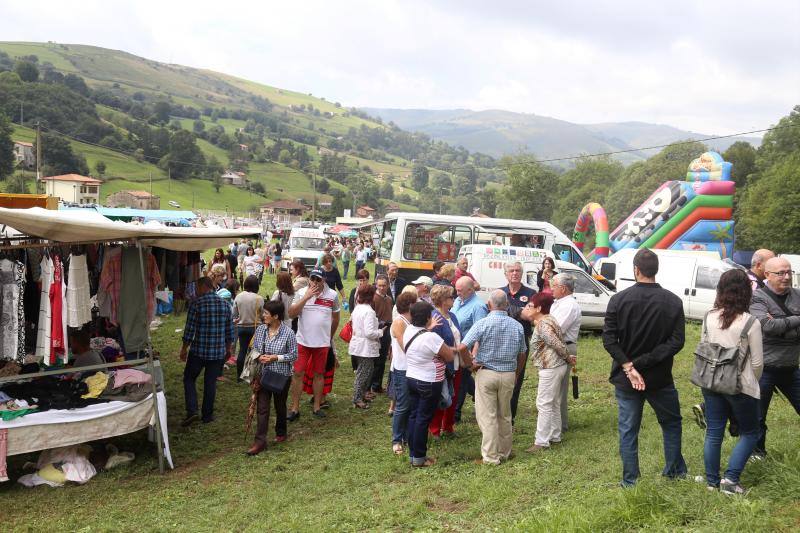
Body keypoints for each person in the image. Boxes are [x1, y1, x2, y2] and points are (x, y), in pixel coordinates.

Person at [602, 249, 686, 487]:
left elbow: (609, 339)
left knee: (629, 430)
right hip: (660, 377)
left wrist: (630, 366)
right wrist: (641, 363)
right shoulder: (673, 301)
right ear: (655, 270)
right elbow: (677, 342)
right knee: (670, 424)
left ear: (636, 270)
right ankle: (674, 472)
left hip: (627, 378)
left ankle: (630, 480)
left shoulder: (618, 300)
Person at [698, 269, 763, 494]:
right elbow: (757, 363)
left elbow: (705, 349)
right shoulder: (750, 322)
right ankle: (731, 480)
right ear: (746, 292)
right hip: (740, 386)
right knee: (750, 432)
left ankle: (711, 482)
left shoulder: (709, 317)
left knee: (714, 431)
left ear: (721, 290)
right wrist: (753, 383)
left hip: (711, 382)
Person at [457, 290, 526, 465]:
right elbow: (523, 353)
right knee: (505, 414)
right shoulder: (517, 325)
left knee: (488, 416)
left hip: (487, 373)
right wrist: (517, 372)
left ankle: (490, 456)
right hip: (508, 374)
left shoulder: (483, 324)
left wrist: (470, 364)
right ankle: (505, 451)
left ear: (489, 305)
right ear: (507, 305)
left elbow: (462, 347)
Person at [749, 256, 800, 460]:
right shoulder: (757, 298)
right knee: (758, 415)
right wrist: (796, 320)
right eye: (780, 273)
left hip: (791, 367)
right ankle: (757, 452)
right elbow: (766, 326)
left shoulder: (797, 295)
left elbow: (775, 327)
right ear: (767, 275)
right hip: (765, 369)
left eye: (789, 272)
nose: (786, 277)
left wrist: (781, 324)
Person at [404, 301, 456, 467]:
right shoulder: (431, 337)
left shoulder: (409, 331)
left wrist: (428, 327)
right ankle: (419, 457)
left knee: (413, 416)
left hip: (411, 377)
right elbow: (449, 356)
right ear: (428, 318)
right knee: (423, 419)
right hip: (429, 381)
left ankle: (413, 453)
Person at [523, 292, 575, 451]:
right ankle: (555, 435)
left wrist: (568, 357)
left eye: (530, 306)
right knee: (552, 402)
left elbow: (555, 343)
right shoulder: (549, 319)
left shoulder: (543, 324)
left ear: (539, 308)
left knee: (544, 403)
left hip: (550, 367)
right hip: (557, 366)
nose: (527, 308)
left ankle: (541, 441)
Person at [287, 268, 341, 420]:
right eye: (313, 279)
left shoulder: (332, 295)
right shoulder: (301, 292)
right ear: (309, 278)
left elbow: (336, 318)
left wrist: (328, 337)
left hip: (322, 343)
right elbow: (291, 314)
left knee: (319, 374)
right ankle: (295, 408)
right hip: (302, 341)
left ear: (324, 280)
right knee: (298, 373)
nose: (315, 282)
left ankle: (317, 406)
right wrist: (306, 297)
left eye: (318, 279)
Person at [180, 277, 235, 426]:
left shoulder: (196, 304)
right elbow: (230, 331)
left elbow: (189, 330)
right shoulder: (225, 305)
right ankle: (207, 416)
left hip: (198, 351)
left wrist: (184, 349)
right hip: (217, 353)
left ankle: (192, 411)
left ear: (204, 286)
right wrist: (228, 349)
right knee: (210, 383)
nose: (196, 291)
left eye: (197, 288)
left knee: (189, 378)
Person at [246, 300, 298, 456]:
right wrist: (259, 356)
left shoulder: (288, 333)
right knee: (262, 408)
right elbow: (253, 349)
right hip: (263, 374)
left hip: (281, 376)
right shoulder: (261, 330)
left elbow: (294, 355)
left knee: (280, 405)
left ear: (276, 316)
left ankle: (281, 432)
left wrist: (276, 357)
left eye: (266, 314)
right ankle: (260, 441)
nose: (263, 316)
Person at [500, 261, 537, 423]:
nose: (514, 273)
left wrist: (507, 309)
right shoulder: (500, 293)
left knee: (516, 380)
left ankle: (510, 418)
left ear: (521, 274)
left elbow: (531, 316)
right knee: (500, 378)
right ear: (506, 274)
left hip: (521, 343)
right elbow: (493, 311)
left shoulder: (530, 293)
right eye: (511, 271)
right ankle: (498, 415)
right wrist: (520, 311)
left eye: (517, 271)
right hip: (500, 342)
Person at [452, 275, 489, 422]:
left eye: (460, 290)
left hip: (466, 350)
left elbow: (480, 333)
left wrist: (473, 355)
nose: (457, 293)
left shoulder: (478, 307)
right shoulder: (457, 300)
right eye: (456, 290)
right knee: (461, 378)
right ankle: (477, 395)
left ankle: (456, 413)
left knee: (461, 380)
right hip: (454, 347)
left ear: (470, 290)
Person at [428, 284, 462, 438]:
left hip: (456, 363)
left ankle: (448, 426)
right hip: (443, 364)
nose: (453, 299)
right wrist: (453, 350)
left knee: (453, 396)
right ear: (442, 300)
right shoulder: (435, 318)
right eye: (450, 297)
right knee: (442, 396)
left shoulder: (452, 315)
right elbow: (434, 344)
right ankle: (434, 429)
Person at [550, 273, 582, 432]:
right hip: (557, 346)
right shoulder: (559, 303)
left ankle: (560, 425)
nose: (551, 288)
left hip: (564, 347)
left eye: (553, 285)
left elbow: (557, 329)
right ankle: (555, 422)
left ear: (563, 288)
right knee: (554, 386)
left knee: (559, 388)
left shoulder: (569, 305)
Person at [390, 291, 417, 455]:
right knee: (403, 405)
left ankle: (407, 436)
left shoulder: (411, 321)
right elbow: (404, 346)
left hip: (412, 368)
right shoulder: (400, 322)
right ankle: (397, 439)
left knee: (411, 405)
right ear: (410, 305)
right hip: (402, 369)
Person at [349, 285, 384, 409]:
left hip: (358, 344)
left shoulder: (358, 308)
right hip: (365, 347)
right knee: (363, 373)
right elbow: (369, 333)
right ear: (371, 296)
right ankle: (357, 398)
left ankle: (362, 394)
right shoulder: (369, 311)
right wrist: (380, 331)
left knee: (366, 372)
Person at [233, 275, 265, 381]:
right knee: (254, 352)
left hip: (242, 327)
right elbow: (263, 315)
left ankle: (239, 376)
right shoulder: (259, 298)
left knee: (242, 350)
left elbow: (234, 313)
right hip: (255, 328)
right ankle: (251, 375)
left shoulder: (238, 296)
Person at [371, 274, 394, 393]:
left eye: (384, 285)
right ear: (376, 285)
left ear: (388, 285)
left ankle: (377, 385)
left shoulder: (389, 299)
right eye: (379, 285)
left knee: (382, 358)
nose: (381, 288)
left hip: (388, 329)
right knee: (376, 359)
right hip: (377, 330)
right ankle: (373, 385)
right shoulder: (373, 298)